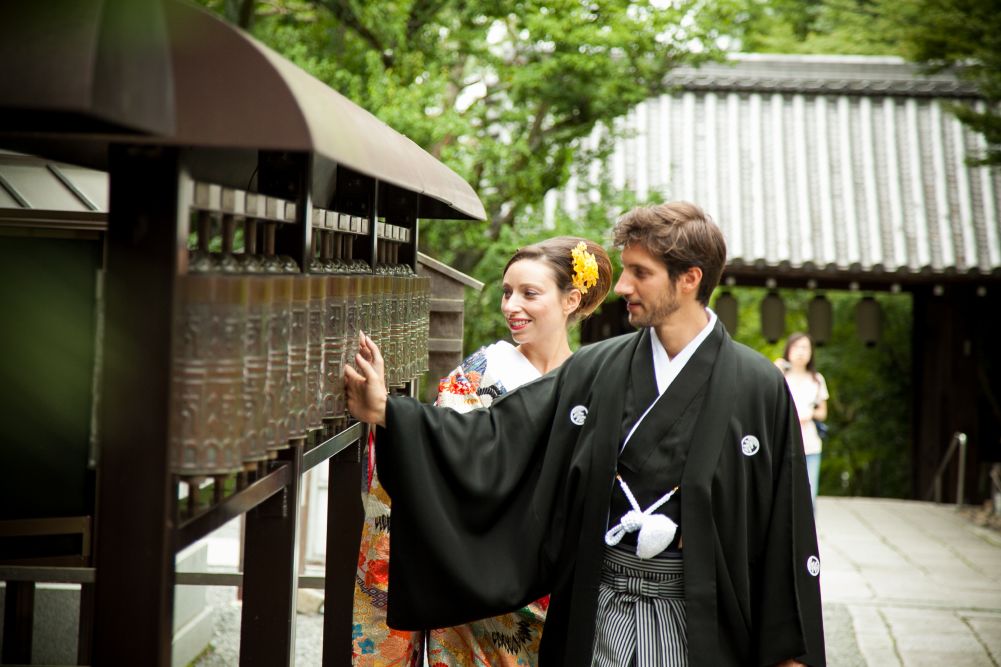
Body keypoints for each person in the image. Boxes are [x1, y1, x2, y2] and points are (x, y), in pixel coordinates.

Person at [345, 202, 826, 667]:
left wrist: (790, 653)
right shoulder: (600, 368)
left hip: (702, 617)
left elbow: (785, 521)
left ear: (689, 279)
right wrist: (391, 412)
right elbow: (500, 438)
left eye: (640, 272)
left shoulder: (758, 384)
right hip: (599, 609)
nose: (621, 286)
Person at [352, 237, 613, 666]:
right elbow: (442, 448)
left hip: (552, 579)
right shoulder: (482, 371)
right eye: (507, 292)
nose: (512, 305)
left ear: (571, 299)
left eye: (530, 294)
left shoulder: (591, 383)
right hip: (470, 571)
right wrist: (390, 415)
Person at [776, 333, 829, 507]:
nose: (800, 352)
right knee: (783, 494)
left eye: (805, 347)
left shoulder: (817, 379)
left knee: (809, 496)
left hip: (810, 444)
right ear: (788, 350)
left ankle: (808, 533)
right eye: (796, 347)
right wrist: (775, 370)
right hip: (783, 442)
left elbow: (823, 412)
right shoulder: (780, 376)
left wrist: (810, 414)